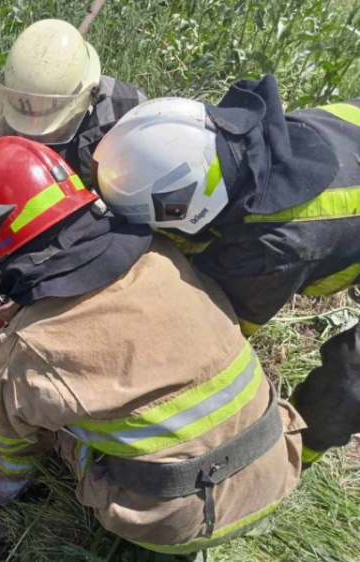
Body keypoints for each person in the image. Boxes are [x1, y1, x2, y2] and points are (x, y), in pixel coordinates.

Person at [0, 137, 304, 555]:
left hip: (178, 519)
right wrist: (6, 318)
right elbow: (85, 293)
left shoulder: (32, 351)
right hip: (277, 459)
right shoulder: (163, 253)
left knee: (29, 423)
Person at [93, 75, 360, 467]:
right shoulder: (233, 132)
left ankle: (290, 458)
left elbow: (212, 329)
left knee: (349, 386)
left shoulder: (274, 248)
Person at [0, 18, 147, 309]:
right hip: (32, 182)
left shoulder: (124, 117)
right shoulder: (17, 98)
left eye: (45, 114)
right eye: (26, 112)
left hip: (86, 211)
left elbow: (121, 213)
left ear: (87, 95)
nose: (33, 125)